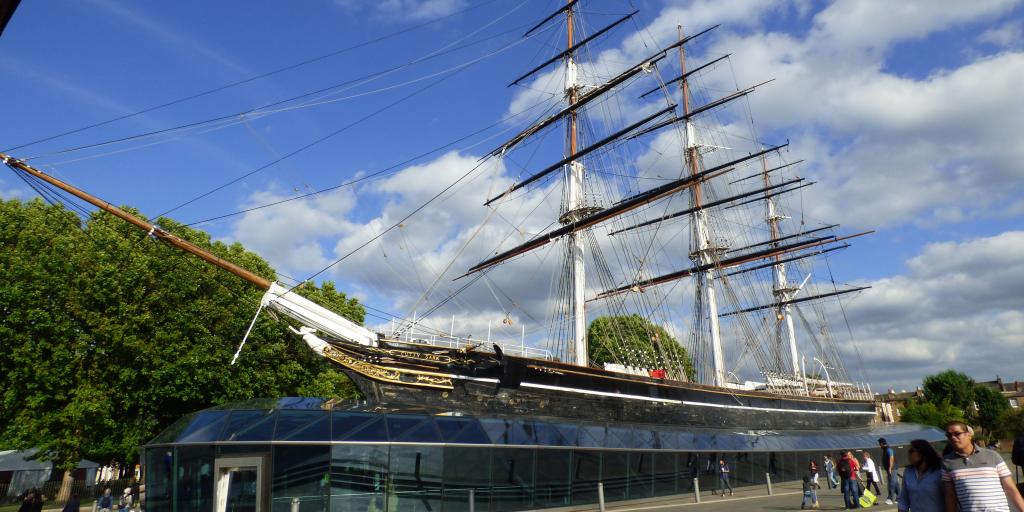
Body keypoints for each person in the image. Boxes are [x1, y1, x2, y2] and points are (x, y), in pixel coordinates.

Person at [942, 420, 1024, 512]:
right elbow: (950, 496)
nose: (953, 438)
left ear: (969, 435)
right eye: (949, 435)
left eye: (957, 434)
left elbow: (1010, 488)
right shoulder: (947, 462)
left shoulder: (992, 455)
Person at [898, 439, 943, 512]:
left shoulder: (939, 472)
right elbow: (904, 500)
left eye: (911, 451)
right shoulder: (908, 472)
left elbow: (949, 499)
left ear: (923, 453)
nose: (908, 454)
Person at [879, 437, 900, 505]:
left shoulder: (888, 449)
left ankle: (890, 498)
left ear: (882, 443)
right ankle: (899, 498)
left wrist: (890, 467)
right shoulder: (886, 449)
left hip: (892, 469)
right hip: (892, 468)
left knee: (891, 483)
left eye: (880, 444)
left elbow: (891, 457)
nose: (879, 446)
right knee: (895, 483)